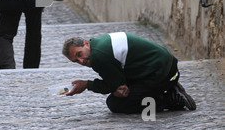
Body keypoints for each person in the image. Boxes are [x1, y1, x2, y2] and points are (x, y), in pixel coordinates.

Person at [62, 32, 196, 113]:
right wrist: (116, 86)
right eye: (76, 61)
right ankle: (168, 87)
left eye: (79, 54)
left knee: (116, 103)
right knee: (119, 94)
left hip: (161, 73)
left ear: (86, 43)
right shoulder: (99, 43)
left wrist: (87, 85)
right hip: (166, 66)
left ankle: (171, 99)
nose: (81, 60)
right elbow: (117, 84)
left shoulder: (98, 56)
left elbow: (116, 87)